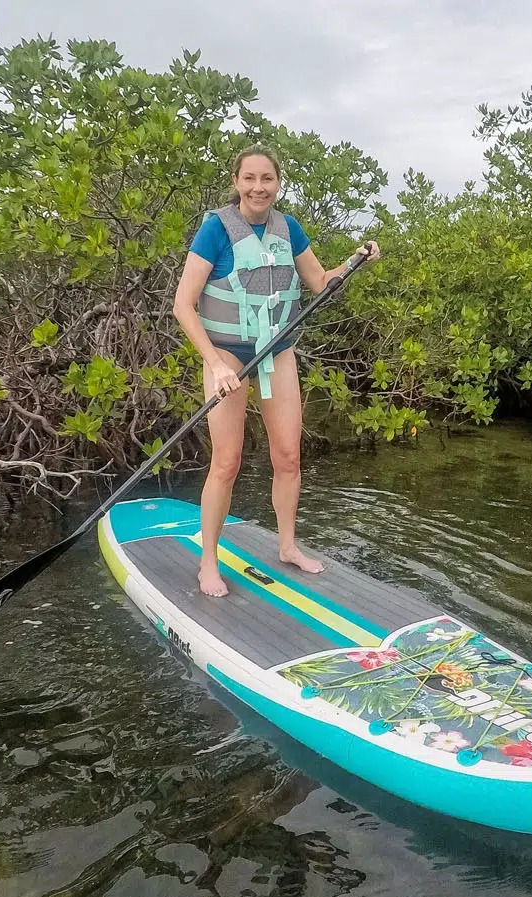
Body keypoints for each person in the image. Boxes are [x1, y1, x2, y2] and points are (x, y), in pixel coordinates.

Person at [172, 144, 379, 596]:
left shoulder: (290, 229)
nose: (258, 187)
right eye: (250, 178)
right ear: (236, 182)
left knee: (288, 457)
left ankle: (287, 545)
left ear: (278, 183)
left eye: (267, 179)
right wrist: (213, 363)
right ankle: (208, 561)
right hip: (226, 356)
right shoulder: (215, 230)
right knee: (226, 462)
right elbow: (183, 305)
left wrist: (355, 261)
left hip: (276, 353)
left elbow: (321, 282)